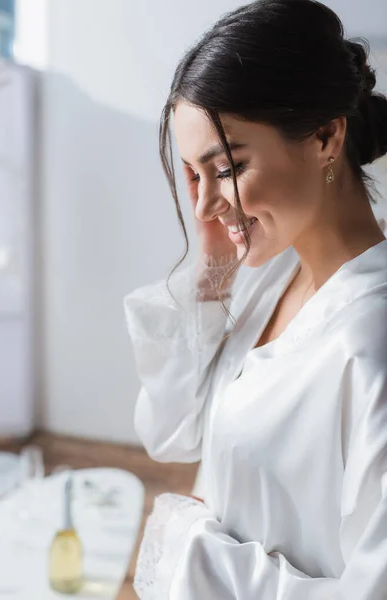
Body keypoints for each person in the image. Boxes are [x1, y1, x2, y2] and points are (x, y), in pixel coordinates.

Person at [123, 0, 387, 598]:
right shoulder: (276, 276)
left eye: (229, 167)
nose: (202, 205)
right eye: (194, 174)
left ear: (325, 136)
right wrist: (215, 264)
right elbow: (169, 430)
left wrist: (191, 550)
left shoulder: (371, 348)